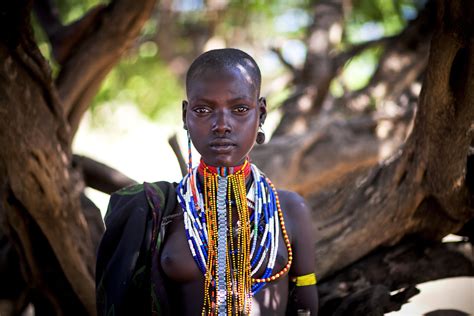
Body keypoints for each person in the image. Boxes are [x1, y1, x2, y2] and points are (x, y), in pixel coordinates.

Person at [96, 48, 319, 315]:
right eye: (203, 109)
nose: (222, 124)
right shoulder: (155, 210)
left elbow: (306, 308)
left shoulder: (290, 210)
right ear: (185, 116)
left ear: (261, 114)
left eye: (239, 109)